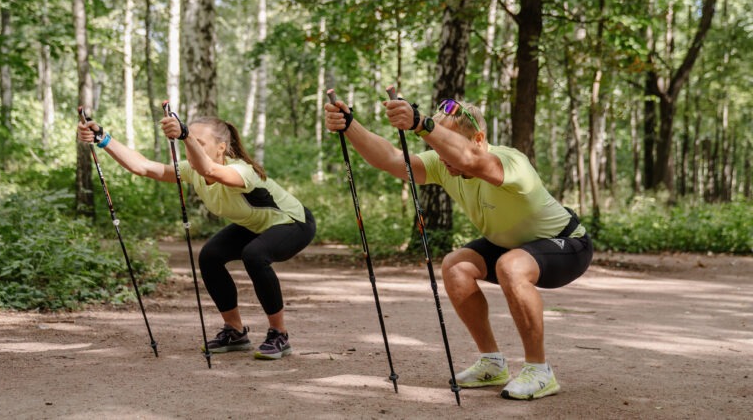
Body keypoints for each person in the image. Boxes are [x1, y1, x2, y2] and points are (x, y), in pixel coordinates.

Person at [324, 95, 592, 400]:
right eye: (438, 146)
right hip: (511, 246)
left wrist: (420, 124)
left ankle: (539, 371)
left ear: (478, 138)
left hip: (568, 245)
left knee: (511, 266)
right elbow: (390, 160)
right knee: (456, 266)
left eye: (446, 142)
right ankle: (492, 362)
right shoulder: (444, 162)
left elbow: (471, 161)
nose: (441, 155)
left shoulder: (509, 160)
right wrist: (350, 126)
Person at [77, 113, 315, 360]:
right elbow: (144, 167)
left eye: (198, 142)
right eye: (187, 140)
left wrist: (185, 135)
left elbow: (209, 169)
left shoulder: (241, 171)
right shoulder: (193, 170)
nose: (189, 145)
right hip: (255, 225)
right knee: (211, 256)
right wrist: (103, 139)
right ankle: (235, 332)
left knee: (254, 255)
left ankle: (279, 334)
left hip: (293, 222)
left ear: (221, 148)